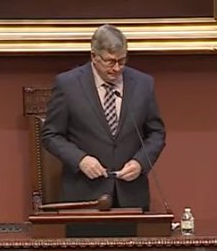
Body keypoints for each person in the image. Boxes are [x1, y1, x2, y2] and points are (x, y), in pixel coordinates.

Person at [41, 24, 166, 211]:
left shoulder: (143, 84)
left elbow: (156, 133)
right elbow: (50, 135)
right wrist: (80, 159)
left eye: (122, 61)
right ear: (94, 57)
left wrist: (140, 162)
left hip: (131, 195)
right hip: (84, 195)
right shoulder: (68, 85)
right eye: (110, 61)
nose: (117, 68)